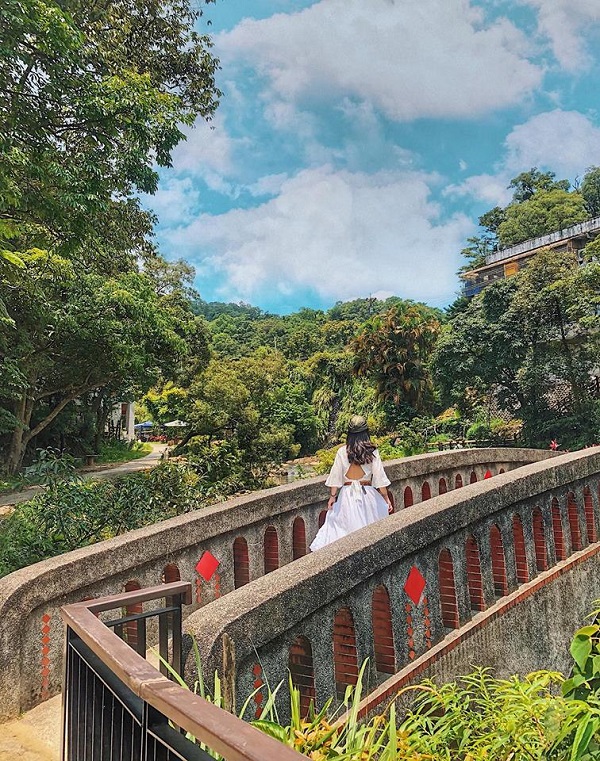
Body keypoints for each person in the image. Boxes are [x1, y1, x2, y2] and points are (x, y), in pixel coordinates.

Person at [310, 415, 393, 551]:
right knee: (369, 532)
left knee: (344, 529)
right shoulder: (372, 451)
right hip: (368, 495)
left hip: (347, 496)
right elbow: (379, 478)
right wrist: (385, 498)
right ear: (366, 432)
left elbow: (336, 477)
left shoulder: (342, 452)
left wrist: (332, 496)